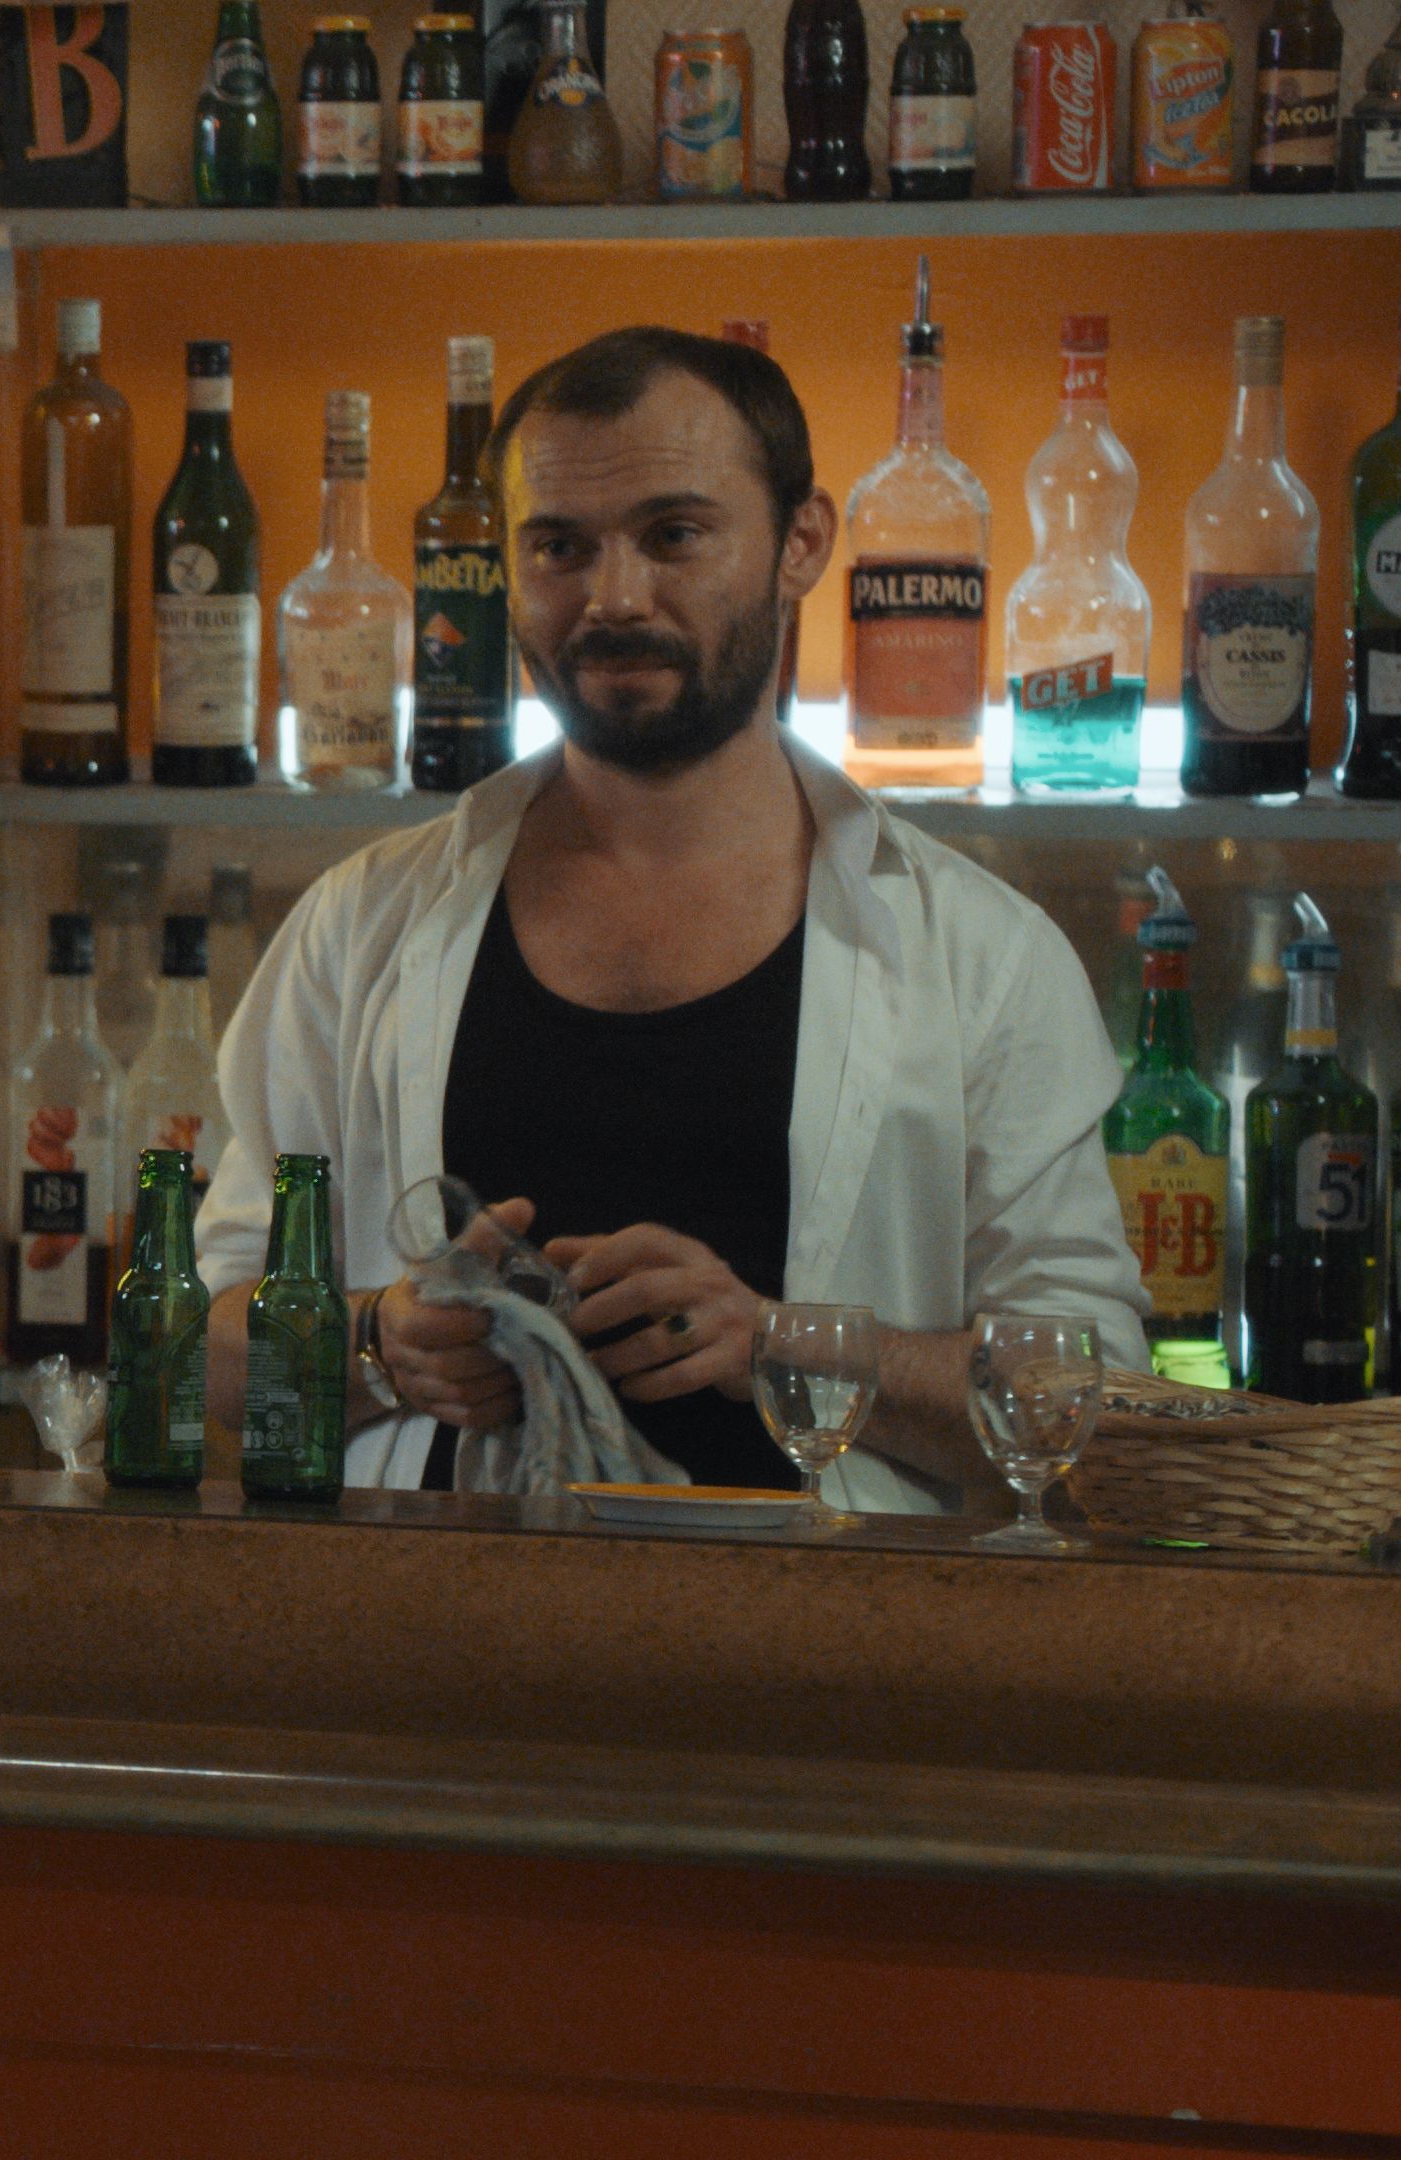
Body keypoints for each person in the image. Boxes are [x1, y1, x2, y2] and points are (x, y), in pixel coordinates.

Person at [196, 327, 1145, 1507]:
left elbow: (1091, 1406)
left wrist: (786, 1348)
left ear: (801, 542)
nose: (613, 597)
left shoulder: (983, 958)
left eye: (674, 535)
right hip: (432, 1613)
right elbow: (202, 1349)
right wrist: (374, 1343)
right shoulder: (360, 928)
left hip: (831, 1622)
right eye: (559, 546)